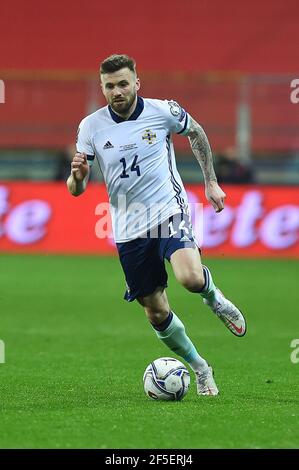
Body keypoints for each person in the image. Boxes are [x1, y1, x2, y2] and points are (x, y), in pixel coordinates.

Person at [67, 54, 247, 396]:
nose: (117, 91)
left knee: (191, 278)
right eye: (109, 86)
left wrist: (211, 182)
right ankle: (200, 367)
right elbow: (75, 190)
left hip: (167, 211)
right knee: (155, 311)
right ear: (102, 88)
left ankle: (214, 298)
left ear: (137, 83)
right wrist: (78, 177)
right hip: (127, 227)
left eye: (123, 83)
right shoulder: (90, 127)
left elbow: (196, 132)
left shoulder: (162, 111)